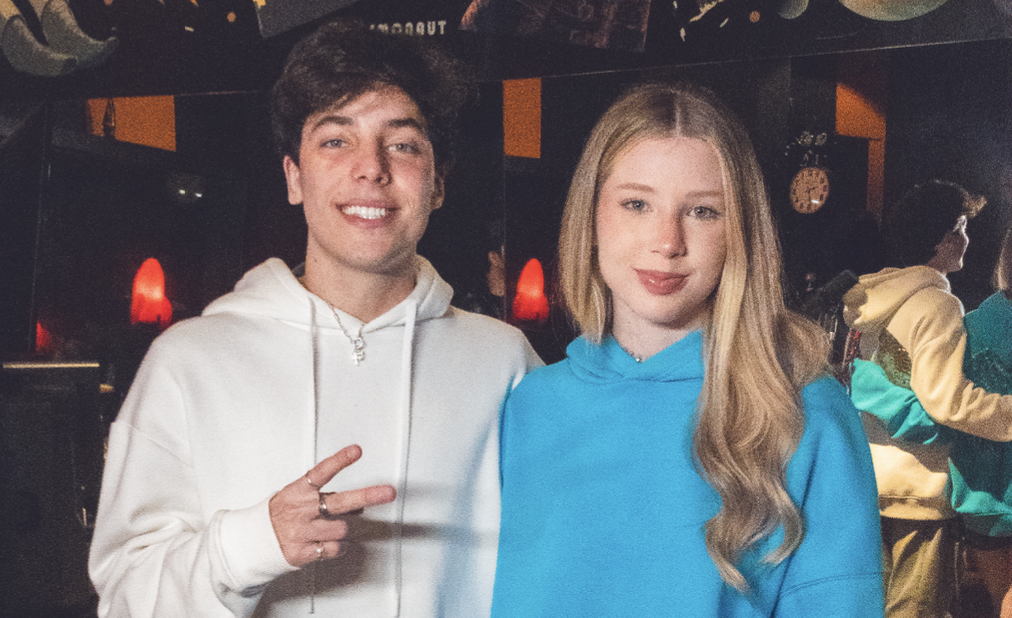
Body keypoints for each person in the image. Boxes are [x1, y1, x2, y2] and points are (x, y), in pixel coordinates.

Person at [88, 20, 541, 618]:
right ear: (294, 178)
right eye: (335, 141)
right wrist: (252, 543)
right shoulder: (188, 361)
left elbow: (571, 557)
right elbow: (125, 598)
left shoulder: (507, 363)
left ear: (437, 185)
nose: (371, 168)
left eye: (403, 144)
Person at [491, 82, 884, 617]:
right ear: (591, 217)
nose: (667, 241)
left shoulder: (804, 410)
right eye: (636, 204)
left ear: (739, 231)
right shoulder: (529, 403)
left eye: (702, 211)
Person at [843, 181, 1012, 618]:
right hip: (921, 487)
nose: (967, 239)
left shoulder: (874, 300)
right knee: (919, 608)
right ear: (940, 238)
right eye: (961, 228)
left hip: (873, 476)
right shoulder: (937, 304)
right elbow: (947, 400)